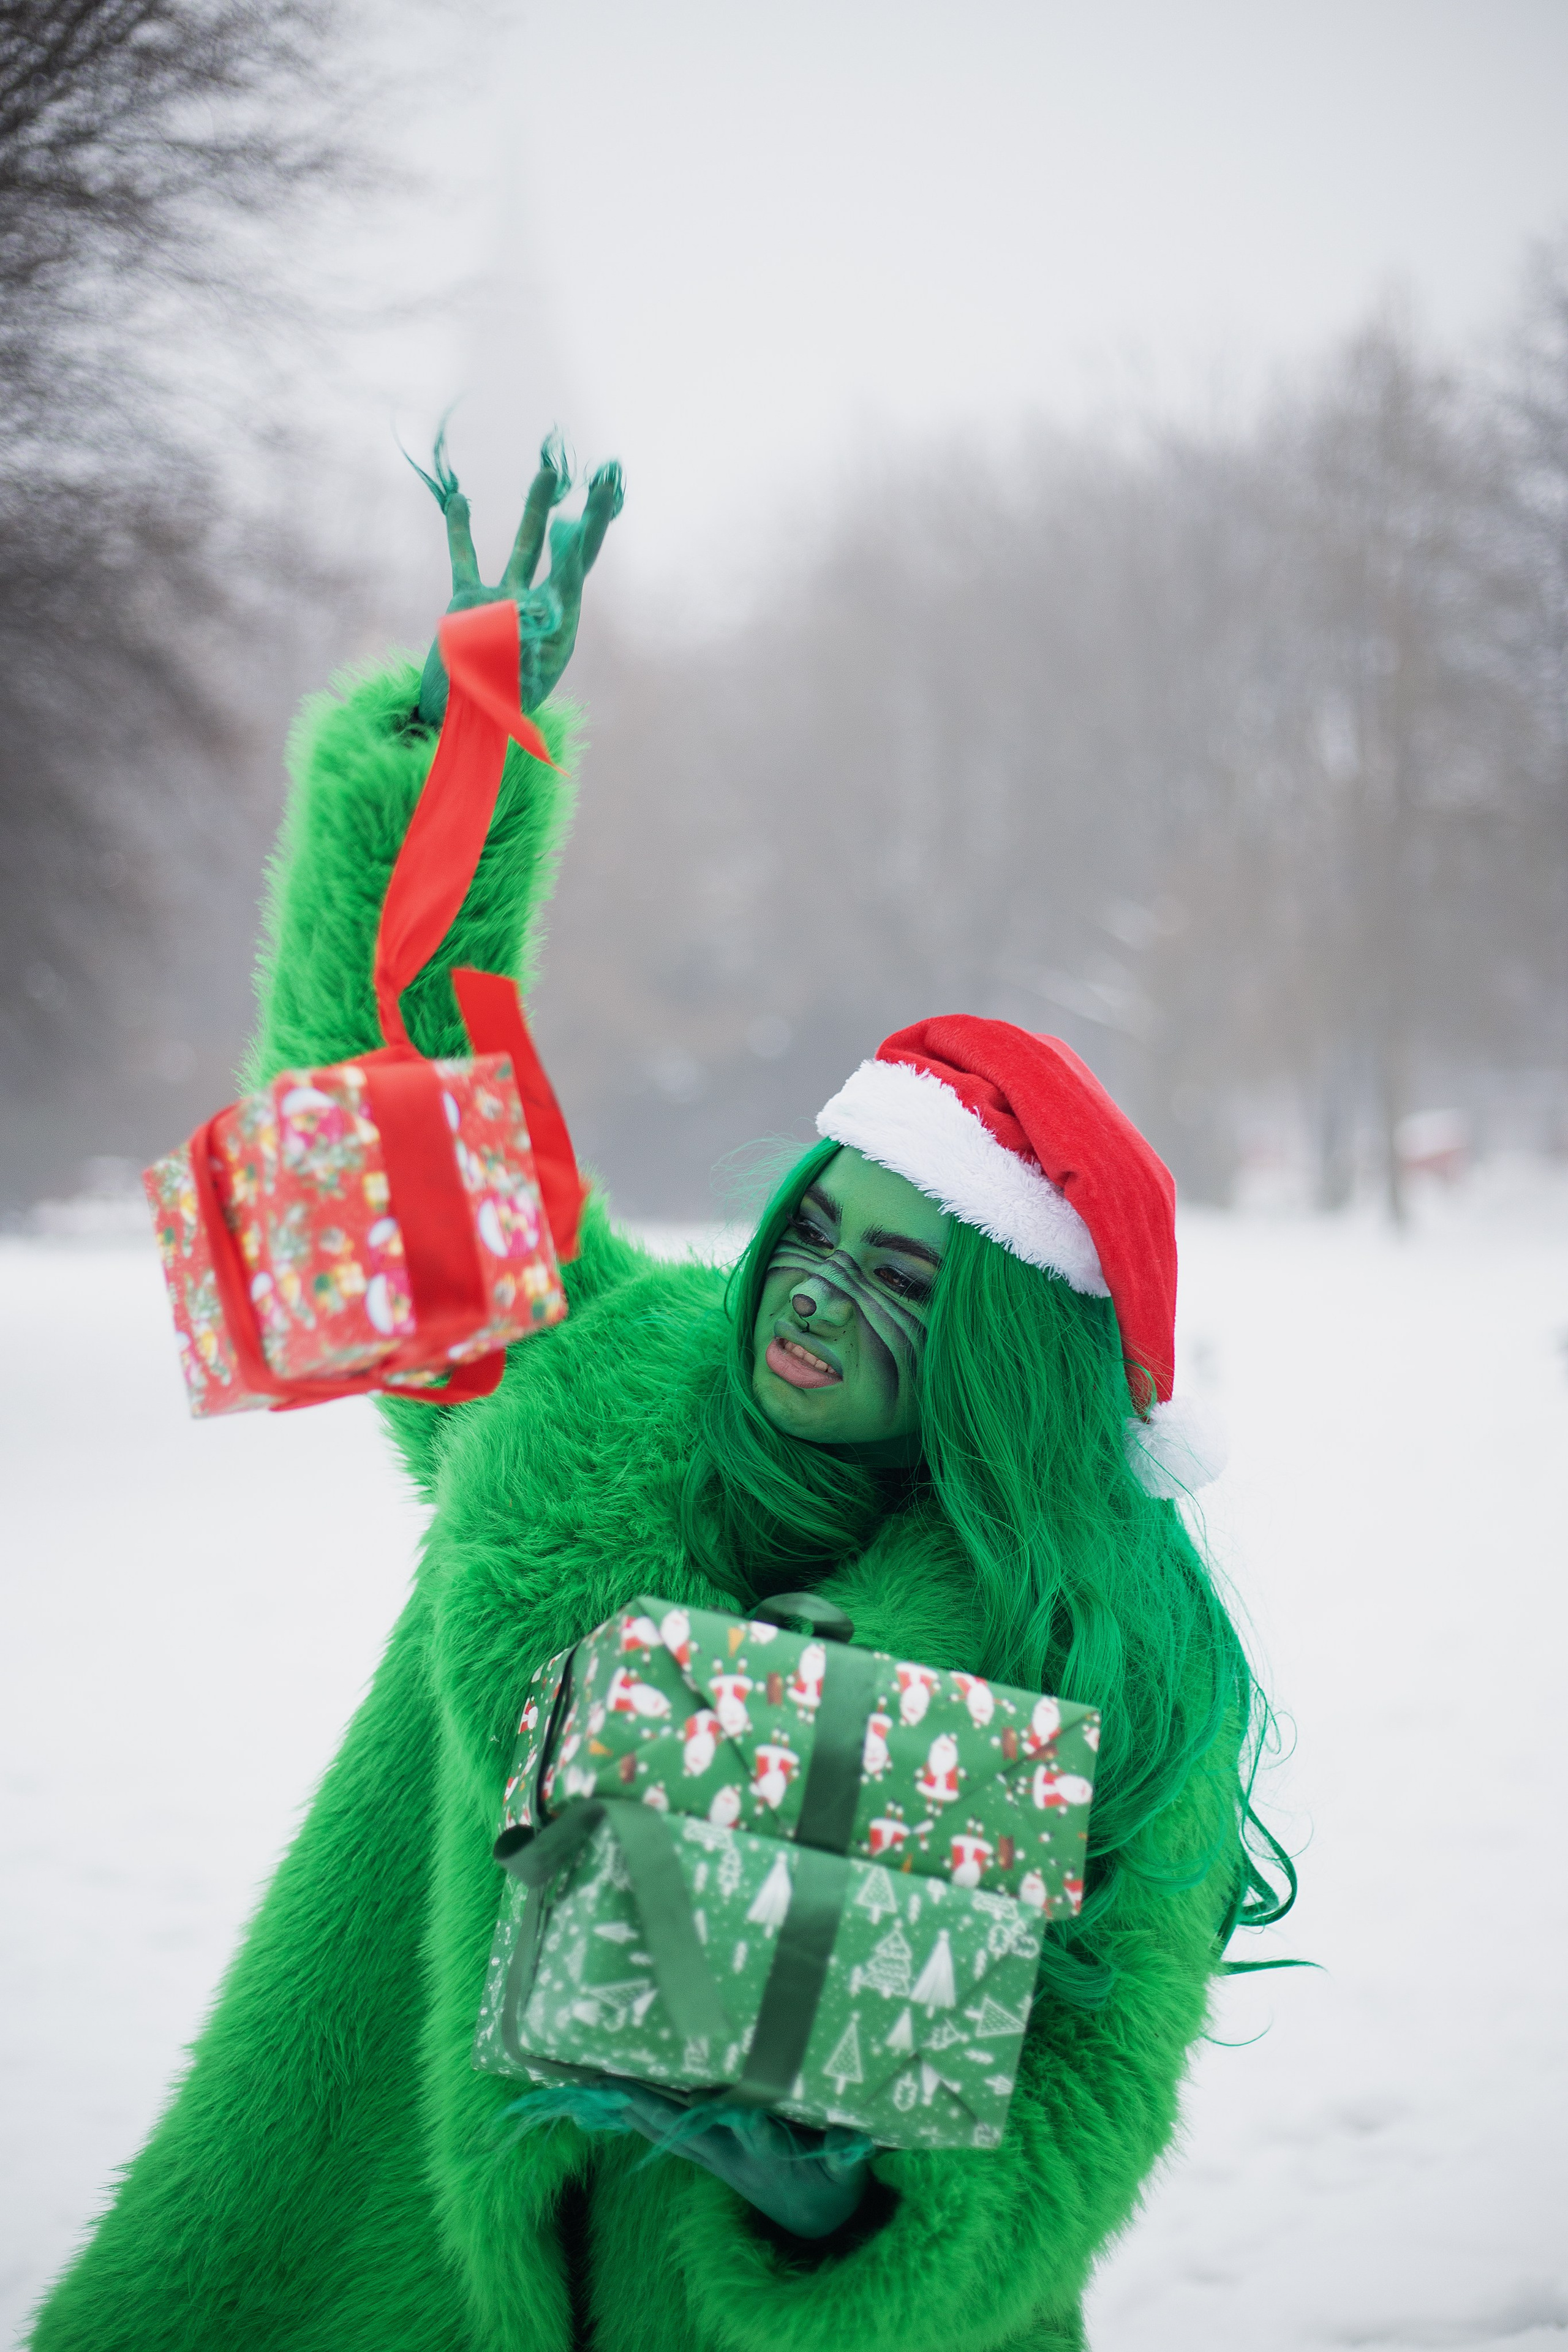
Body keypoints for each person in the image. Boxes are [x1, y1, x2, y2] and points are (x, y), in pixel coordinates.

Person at [30, 437, 1292, 2352]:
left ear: (997, 1375)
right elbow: (381, 1110)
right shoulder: (588, 1377)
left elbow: (1092, 2094)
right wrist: (460, 748)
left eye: (902, 1283)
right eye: (819, 1227)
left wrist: (847, 2201)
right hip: (392, 2271)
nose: (821, 1289)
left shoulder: (1103, 1653)